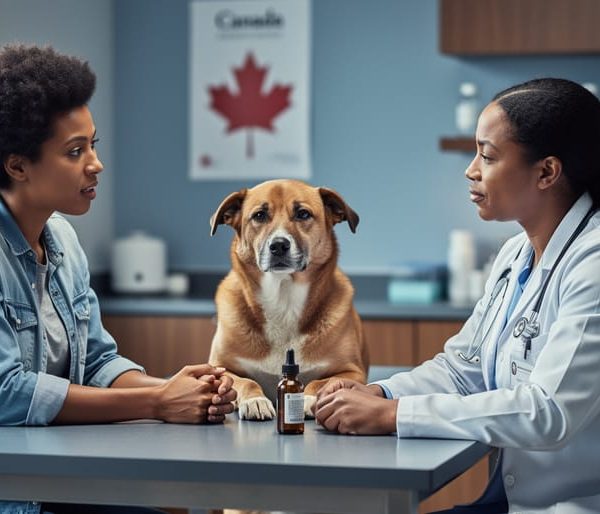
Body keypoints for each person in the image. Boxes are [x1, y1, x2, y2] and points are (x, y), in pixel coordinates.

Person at [314, 78, 600, 514]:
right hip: (506, 500)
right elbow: (462, 369)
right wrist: (380, 393)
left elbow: (548, 413)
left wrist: (395, 416)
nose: (471, 170)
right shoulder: (515, 255)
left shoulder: (593, 263)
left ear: (546, 172)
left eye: (487, 156)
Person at [0, 44, 237, 514]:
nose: (96, 163)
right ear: (17, 165)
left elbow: (97, 363)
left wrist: (177, 388)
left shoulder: (63, 239)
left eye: (93, 144)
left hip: (67, 483)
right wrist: (157, 405)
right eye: (74, 151)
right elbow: (8, 393)